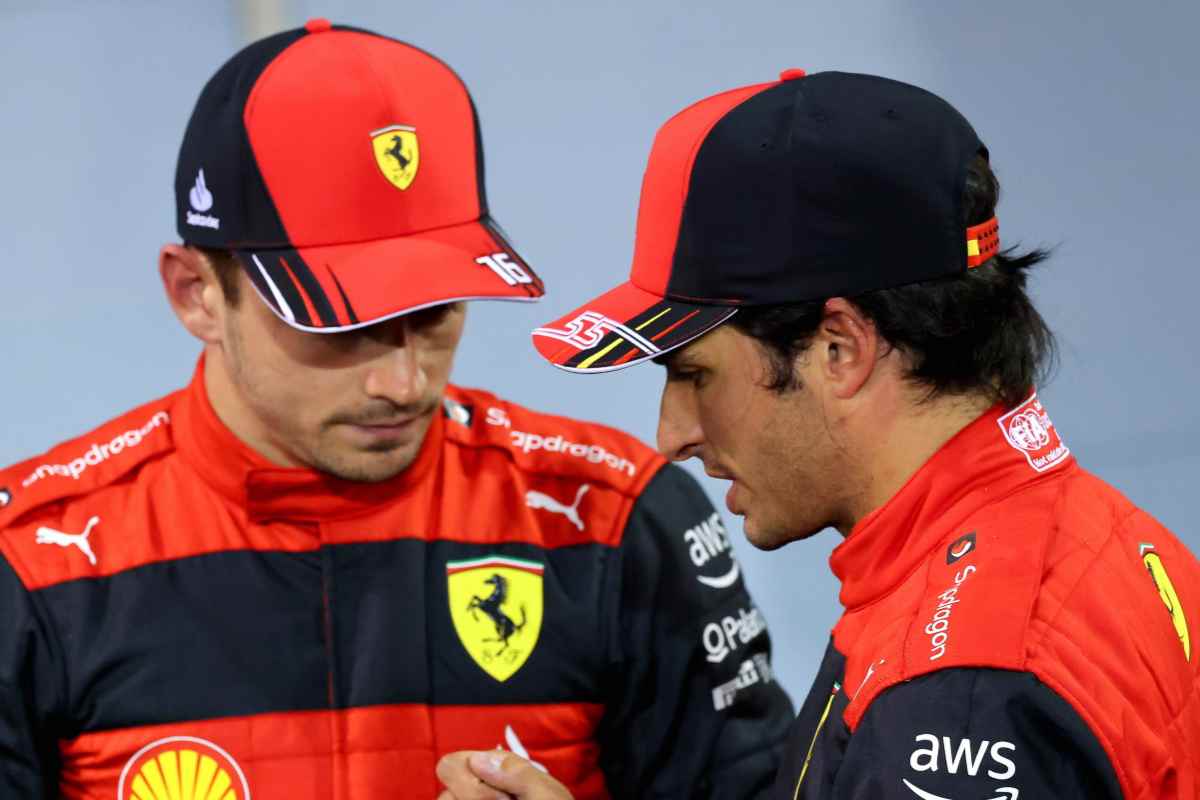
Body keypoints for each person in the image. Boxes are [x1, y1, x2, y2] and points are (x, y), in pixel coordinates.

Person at [0, 21, 795, 799]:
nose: (406, 381)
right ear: (196, 293)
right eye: (340, 322)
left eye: (438, 313)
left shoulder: (615, 520)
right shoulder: (33, 564)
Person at [438, 69, 1200, 799]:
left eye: (693, 373)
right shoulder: (1080, 532)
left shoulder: (957, 689)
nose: (671, 436)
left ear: (841, 350)